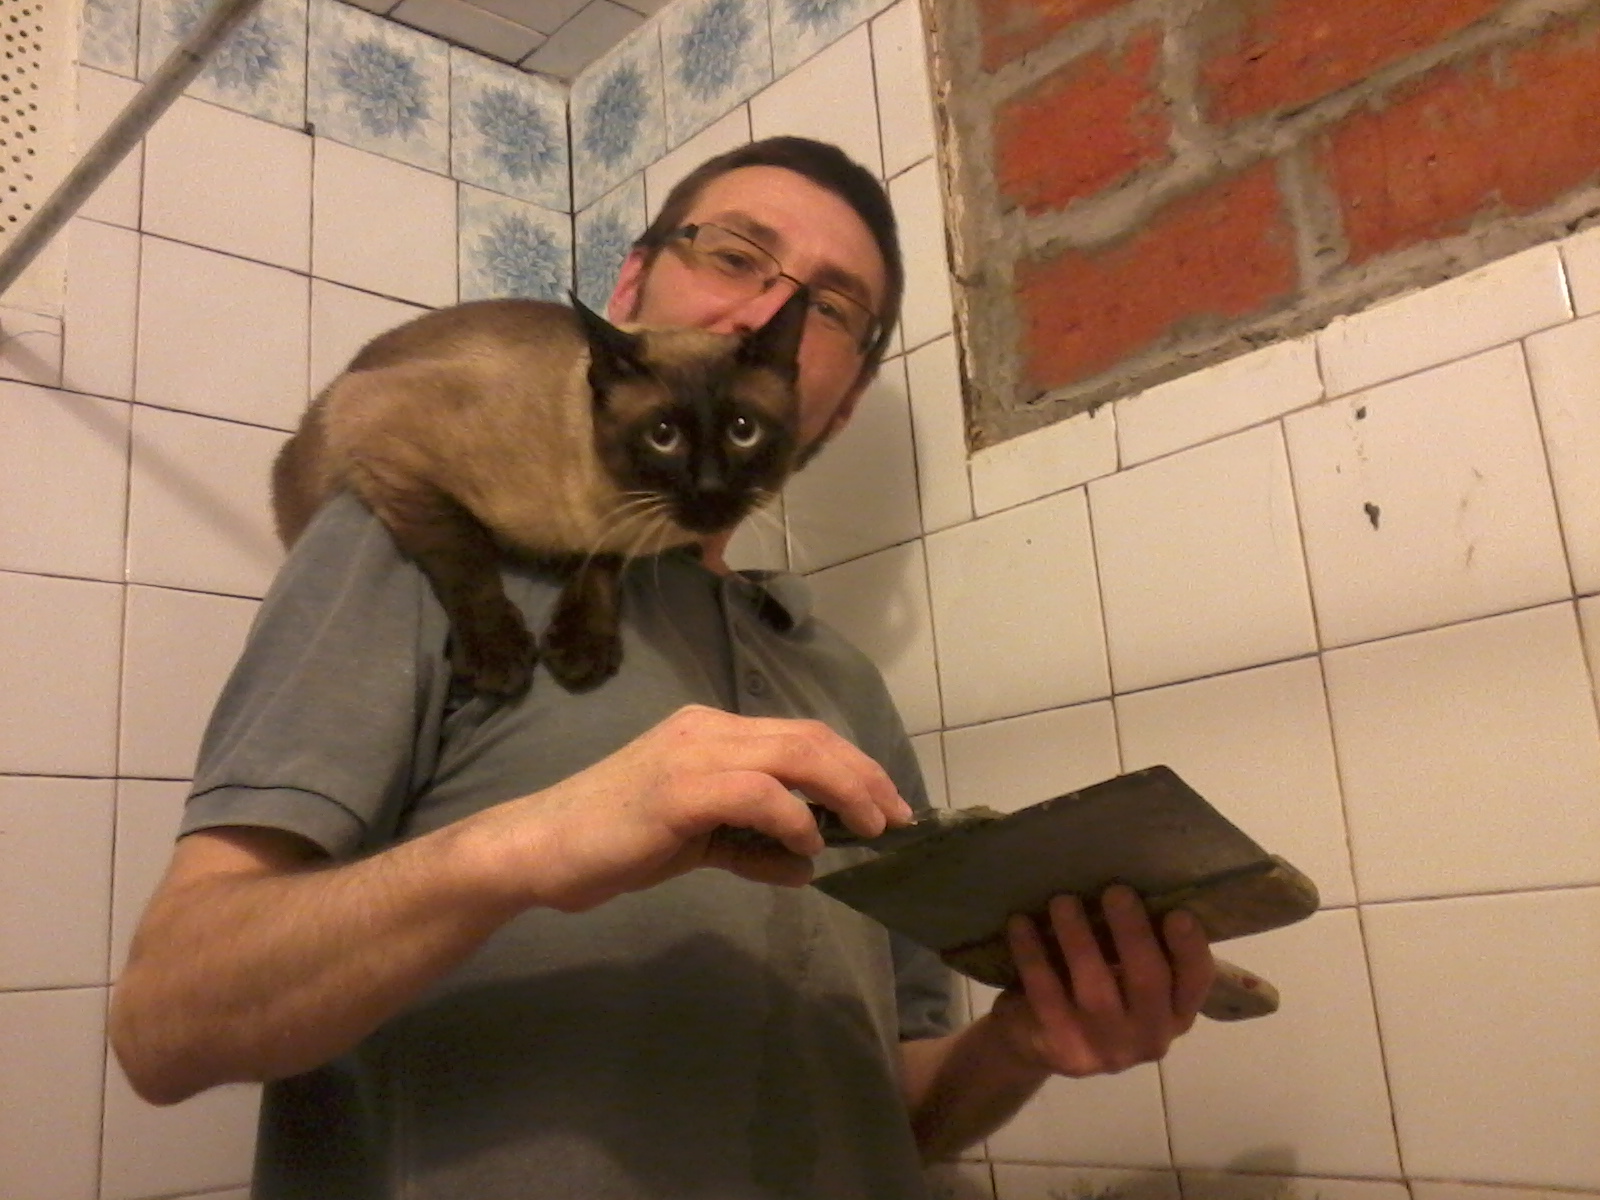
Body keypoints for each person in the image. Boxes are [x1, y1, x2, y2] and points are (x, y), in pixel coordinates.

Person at [110, 137, 1215, 1199]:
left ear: (838, 400)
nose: (760, 312)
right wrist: (526, 844)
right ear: (631, 288)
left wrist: (1019, 1044)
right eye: (733, 254)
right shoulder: (411, 549)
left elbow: (894, 1112)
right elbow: (165, 1023)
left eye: (827, 309)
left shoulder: (842, 686)